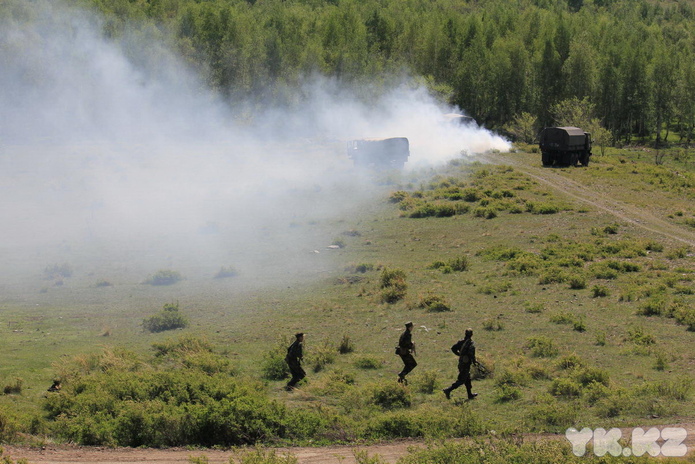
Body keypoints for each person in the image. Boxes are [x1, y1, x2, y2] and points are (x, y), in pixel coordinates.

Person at [443, 328, 478, 400]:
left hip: (461, 363)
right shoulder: (471, 343)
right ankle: (448, 390)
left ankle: (470, 395)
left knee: (467, 379)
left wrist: (459, 355)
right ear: (471, 335)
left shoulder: (461, 342)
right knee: (461, 380)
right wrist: (474, 362)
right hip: (466, 364)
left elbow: (453, 348)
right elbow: (472, 355)